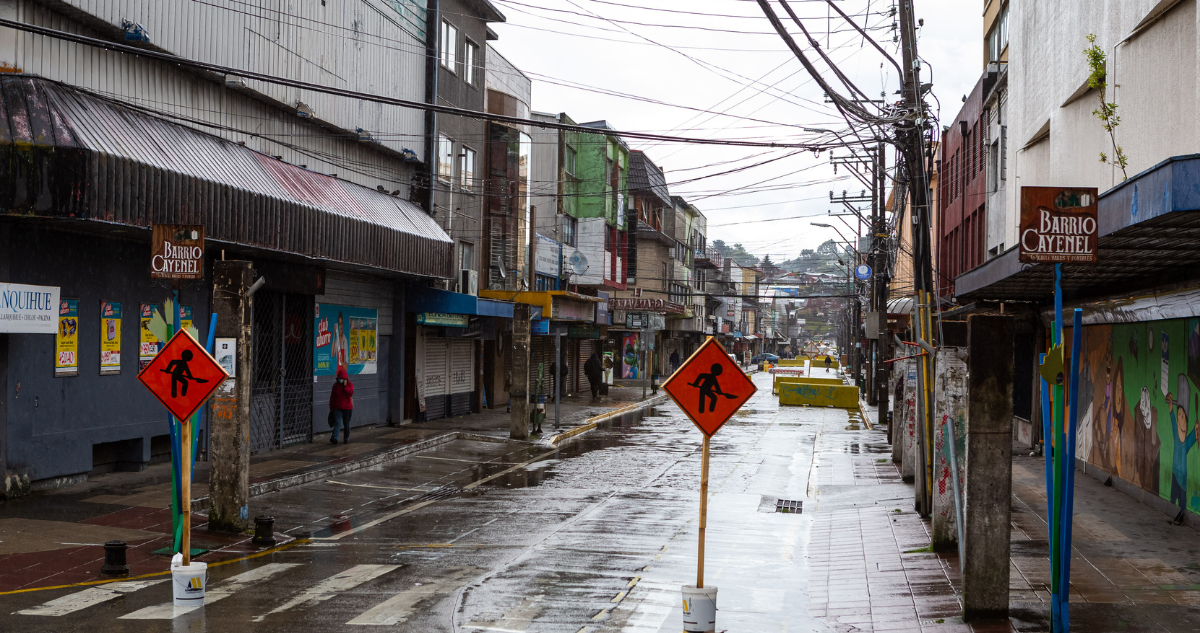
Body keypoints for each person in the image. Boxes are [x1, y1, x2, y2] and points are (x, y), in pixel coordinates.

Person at [329, 367, 354, 444]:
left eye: (343, 379)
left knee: (347, 424)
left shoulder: (350, 384)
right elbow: (332, 396)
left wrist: (345, 386)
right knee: (337, 422)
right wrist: (331, 407)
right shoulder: (335, 386)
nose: (341, 380)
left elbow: (351, 392)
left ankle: (346, 439)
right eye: (340, 379)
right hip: (337, 407)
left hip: (347, 408)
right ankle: (334, 438)